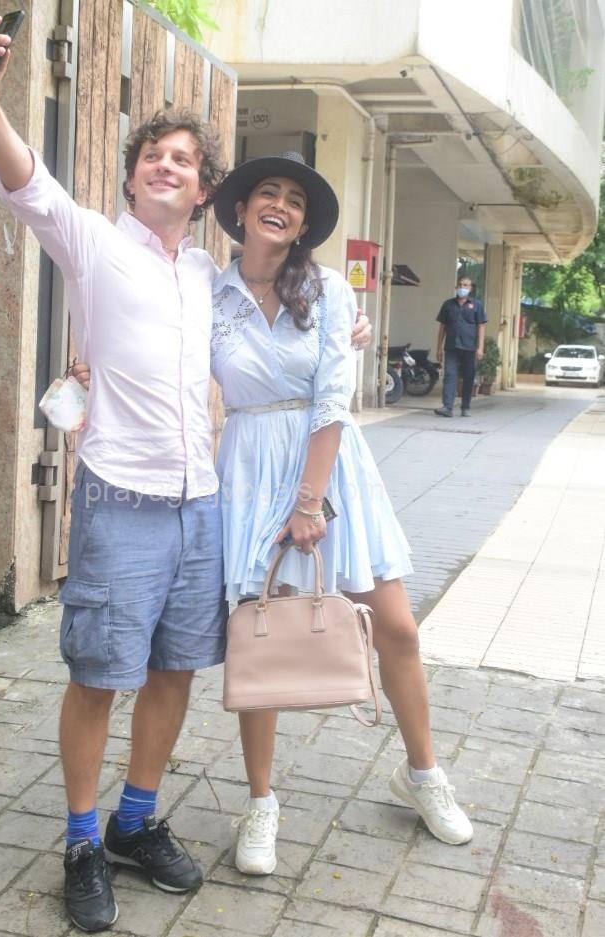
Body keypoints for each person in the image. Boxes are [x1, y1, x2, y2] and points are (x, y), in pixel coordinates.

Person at [0, 15, 372, 933]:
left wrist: (350, 324)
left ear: (204, 187)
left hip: (203, 505)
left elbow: (289, 302)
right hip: (121, 499)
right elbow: (27, 182)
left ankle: (135, 819)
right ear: (132, 174)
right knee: (97, 676)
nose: (166, 165)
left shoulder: (207, 275)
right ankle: (81, 838)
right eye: (153, 154)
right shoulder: (92, 242)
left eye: (183, 159)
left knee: (176, 669)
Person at [209, 153, 473, 877]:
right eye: (268, 193)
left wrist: (309, 501)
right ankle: (260, 802)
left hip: (329, 464)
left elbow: (332, 394)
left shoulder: (326, 288)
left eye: (295, 200)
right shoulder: (208, 291)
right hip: (248, 464)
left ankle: (422, 774)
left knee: (396, 627)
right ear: (241, 210)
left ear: (302, 225)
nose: (281, 205)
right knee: (259, 636)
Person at [434, 276, 486, 418]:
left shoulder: (477, 305)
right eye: (460, 284)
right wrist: (439, 348)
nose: (463, 287)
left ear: (470, 288)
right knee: (450, 375)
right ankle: (447, 407)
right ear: (456, 287)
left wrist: (480, 348)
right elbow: (442, 327)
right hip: (451, 347)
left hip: (469, 348)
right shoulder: (448, 305)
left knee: (469, 377)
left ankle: (465, 407)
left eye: (466, 285)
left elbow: (481, 326)